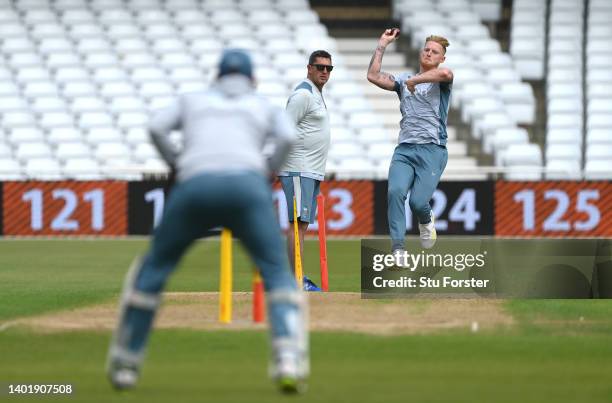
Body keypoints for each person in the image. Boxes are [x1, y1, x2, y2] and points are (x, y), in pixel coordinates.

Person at [106, 49, 309, 394]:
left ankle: (127, 361)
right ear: (252, 79)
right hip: (248, 186)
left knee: (154, 268)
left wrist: (178, 163)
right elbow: (288, 137)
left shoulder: (192, 99)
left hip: (195, 185)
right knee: (276, 272)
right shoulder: (261, 104)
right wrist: (267, 170)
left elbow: (156, 127)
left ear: (217, 77)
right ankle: (288, 357)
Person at [367, 29, 453, 260]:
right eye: (426, 49)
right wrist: (382, 45)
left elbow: (445, 74)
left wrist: (415, 79)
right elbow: (373, 76)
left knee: (417, 202)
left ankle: (426, 220)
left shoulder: (441, 79)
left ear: (441, 58)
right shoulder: (403, 80)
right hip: (405, 149)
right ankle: (398, 249)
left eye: (434, 52)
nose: (428, 53)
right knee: (395, 192)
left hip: (432, 149)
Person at [278, 50, 332, 292]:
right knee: (297, 224)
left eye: (328, 68)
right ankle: (292, 279)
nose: (324, 71)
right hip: (298, 169)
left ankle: (295, 276)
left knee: (301, 225)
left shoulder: (316, 94)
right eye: (320, 67)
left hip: (310, 170)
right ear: (309, 68)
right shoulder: (303, 94)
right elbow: (284, 130)